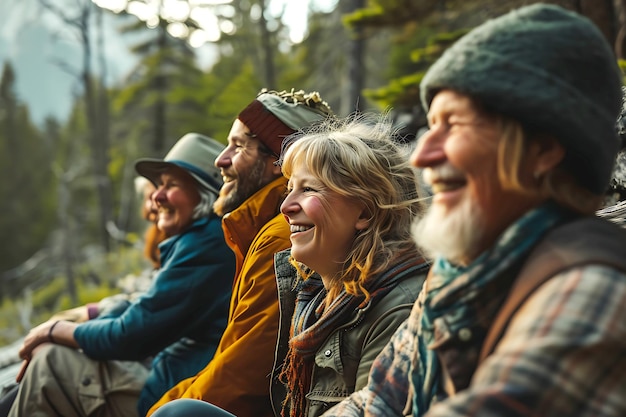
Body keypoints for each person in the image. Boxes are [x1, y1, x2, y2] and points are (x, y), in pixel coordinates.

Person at [321, 4, 626, 417]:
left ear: (542, 150)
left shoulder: (592, 288)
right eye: (431, 126)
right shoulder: (461, 267)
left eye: (454, 125)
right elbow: (378, 400)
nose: (421, 156)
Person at [151, 114, 431, 417]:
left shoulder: (400, 309)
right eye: (289, 190)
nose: (286, 207)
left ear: (364, 210)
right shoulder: (312, 294)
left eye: (309, 189)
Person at [7, 133, 236, 417]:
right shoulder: (206, 238)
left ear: (205, 194)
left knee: (50, 362)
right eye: (159, 185)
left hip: (171, 395)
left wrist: (54, 330)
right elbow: (149, 309)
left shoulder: (206, 244)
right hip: (173, 378)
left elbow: (130, 335)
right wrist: (90, 317)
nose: (156, 196)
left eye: (172, 185)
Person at [147, 89, 334, 417]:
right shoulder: (262, 231)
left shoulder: (280, 239)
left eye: (238, 146)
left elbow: (239, 380)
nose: (220, 159)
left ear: (279, 161)